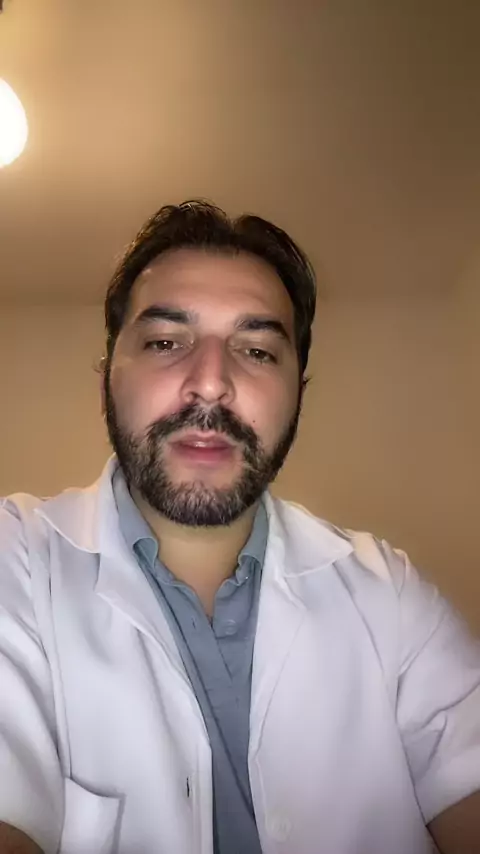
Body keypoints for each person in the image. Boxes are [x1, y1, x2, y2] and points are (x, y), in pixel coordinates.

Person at [0, 201, 479, 854]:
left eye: (256, 350)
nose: (210, 384)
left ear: (299, 390)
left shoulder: (389, 593)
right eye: (165, 342)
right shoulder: (16, 558)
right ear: (108, 373)